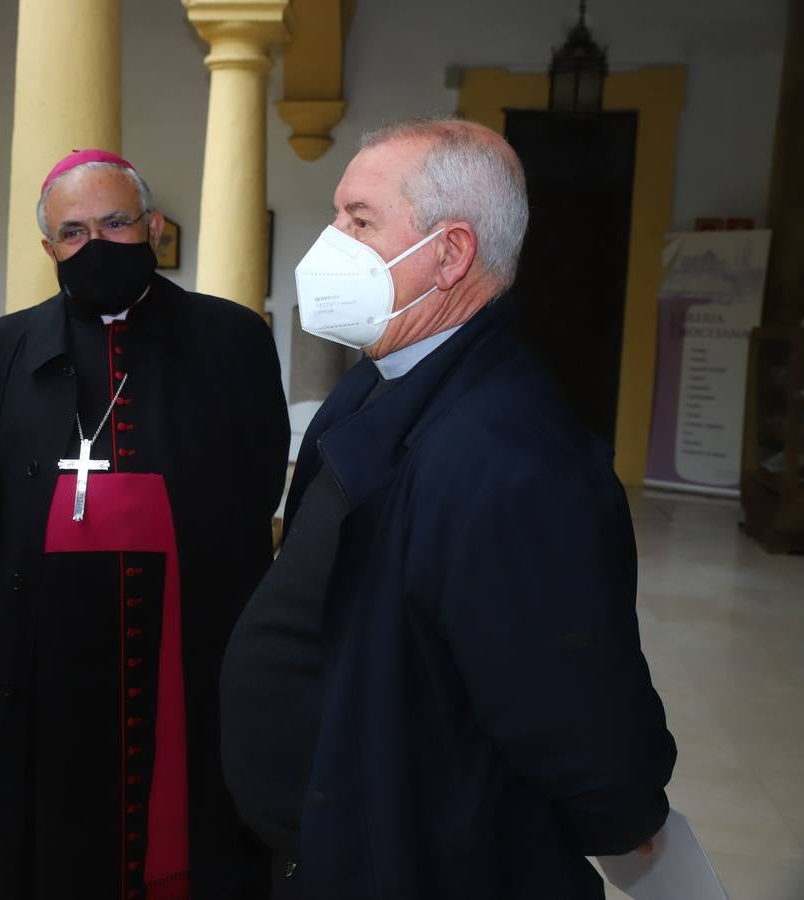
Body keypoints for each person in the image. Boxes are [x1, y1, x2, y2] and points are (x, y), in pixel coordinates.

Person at [220, 118, 676, 899]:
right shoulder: (376, 379)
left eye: (359, 221)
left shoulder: (509, 452)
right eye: (337, 216)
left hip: (423, 854)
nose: (330, 242)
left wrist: (620, 809)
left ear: (451, 253)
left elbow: (566, 693)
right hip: (339, 827)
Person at [0, 149, 288, 900]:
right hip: (45, 646)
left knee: (192, 803)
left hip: (189, 629)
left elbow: (257, 485)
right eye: (72, 233)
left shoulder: (232, 340)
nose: (95, 245)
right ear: (48, 251)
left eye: (115, 222)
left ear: (155, 228)